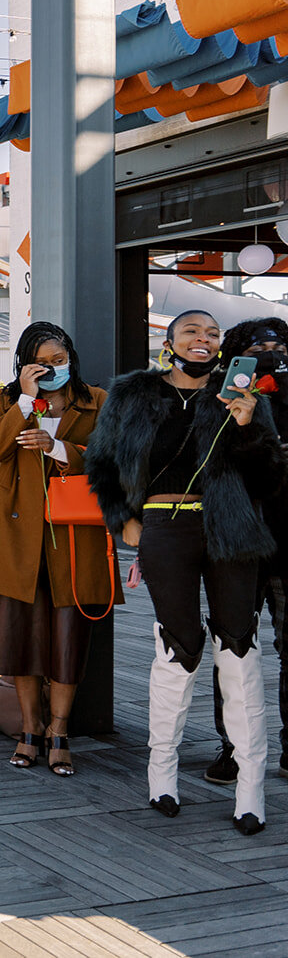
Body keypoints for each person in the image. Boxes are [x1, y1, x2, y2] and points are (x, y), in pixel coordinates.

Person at [87, 311, 281, 834]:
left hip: (231, 529)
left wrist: (245, 426)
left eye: (213, 334)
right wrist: (122, 519)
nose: (204, 339)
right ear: (169, 341)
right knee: (178, 643)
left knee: (238, 645)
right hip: (164, 527)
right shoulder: (133, 394)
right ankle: (162, 775)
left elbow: (268, 477)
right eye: (192, 331)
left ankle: (250, 789)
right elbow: (102, 463)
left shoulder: (242, 397)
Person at [0, 321, 120, 779]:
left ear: (71, 359)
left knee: (67, 636)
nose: (52, 368)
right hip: (18, 533)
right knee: (19, 636)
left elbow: (113, 457)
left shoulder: (97, 400)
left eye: (59, 360)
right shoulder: (5, 399)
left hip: (74, 533)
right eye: (42, 362)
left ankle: (59, 732)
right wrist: (23, 400)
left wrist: (59, 448)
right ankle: (29, 730)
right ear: (24, 364)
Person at [202, 318, 288, 786]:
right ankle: (233, 747)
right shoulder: (217, 395)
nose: (272, 352)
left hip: (286, 540)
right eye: (258, 346)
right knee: (233, 645)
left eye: (279, 344)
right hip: (239, 538)